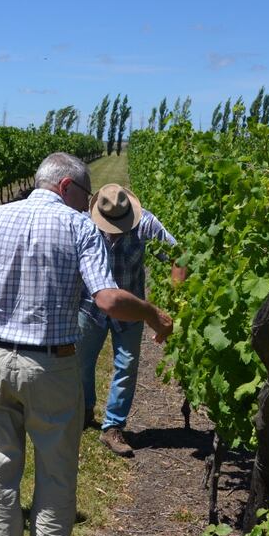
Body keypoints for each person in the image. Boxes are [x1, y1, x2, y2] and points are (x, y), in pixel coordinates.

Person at [0, 153, 173, 536]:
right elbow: (108, 300)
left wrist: (6, 317)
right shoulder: (79, 227)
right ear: (66, 186)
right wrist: (152, 313)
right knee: (54, 480)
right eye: (84, 195)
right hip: (49, 365)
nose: (85, 204)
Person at [78, 184, 186, 458]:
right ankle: (84, 409)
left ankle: (113, 427)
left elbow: (178, 256)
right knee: (81, 361)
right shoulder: (83, 223)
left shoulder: (145, 223)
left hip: (132, 308)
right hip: (91, 304)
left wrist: (176, 298)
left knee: (126, 364)